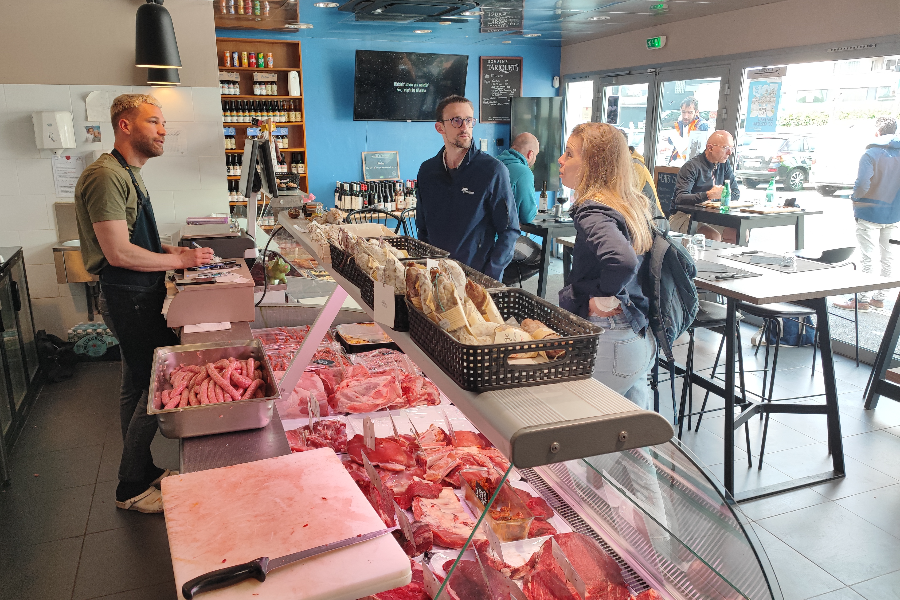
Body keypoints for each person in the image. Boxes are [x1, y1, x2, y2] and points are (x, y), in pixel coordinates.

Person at [74, 94, 214, 513]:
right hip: (127, 295)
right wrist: (178, 260)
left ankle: (145, 470)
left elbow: (135, 239)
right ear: (125, 126)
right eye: (153, 122)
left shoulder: (127, 173)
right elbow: (118, 253)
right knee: (159, 385)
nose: (163, 130)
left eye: (164, 123)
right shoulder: (105, 176)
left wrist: (174, 250)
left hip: (137, 293)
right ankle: (131, 486)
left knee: (136, 384)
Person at [557, 122, 656, 409]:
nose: (561, 161)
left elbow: (621, 261)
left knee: (586, 438)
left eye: (570, 154)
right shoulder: (627, 203)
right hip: (637, 336)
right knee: (634, 444)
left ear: (593, 165)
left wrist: (601, 297)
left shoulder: (592, 211)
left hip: (611, 337)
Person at [416, 95, 519, 280]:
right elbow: (423, 229)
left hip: (475, 278)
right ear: (440, 127)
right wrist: (425, 266)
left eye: (469, 120)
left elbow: (509, 230)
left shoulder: (493, 171)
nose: (464, 127)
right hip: (435, 275)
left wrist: (491, 276)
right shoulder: (427, 171)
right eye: (456, 121)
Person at [834, 116, 900, 311]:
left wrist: (855, 197)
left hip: (869, 212)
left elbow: (863, 184)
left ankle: (861, 299)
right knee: (887, 257)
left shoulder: (870, 154)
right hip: (894, 214)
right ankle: (879, 298)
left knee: (867, 257)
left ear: (877, 132)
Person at [670, 130, 741, 243]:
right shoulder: (691, 167)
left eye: (731, 148)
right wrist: (708, 195)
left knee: (737, 233)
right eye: (725, 148)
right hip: (685, 216)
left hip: (712, 217)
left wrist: (719, 197)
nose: (729, 153)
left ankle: (723, 261)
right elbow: (680, 198)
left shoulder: (724, 165)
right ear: (710, 147)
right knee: (713, 236)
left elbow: (735, 193)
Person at [618, 129, 665, 219]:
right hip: (638, 219)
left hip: (653, 222)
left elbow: (627, 198)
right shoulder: (621, 165)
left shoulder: (635, 166)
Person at [497, 132, 540, 225]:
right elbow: (527, 217)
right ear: (530, 154)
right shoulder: (524, 173)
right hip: (501, 236)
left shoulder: (493, 163)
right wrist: (535, 208)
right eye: (536, 155)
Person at [666, 96, 710, 166]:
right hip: (676, 163)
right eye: (683, 112)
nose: (686, 116)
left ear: (696, 112)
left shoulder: (702, 126)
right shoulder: (680, 123)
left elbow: (696, 152)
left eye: (690, 113)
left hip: (691, 167)